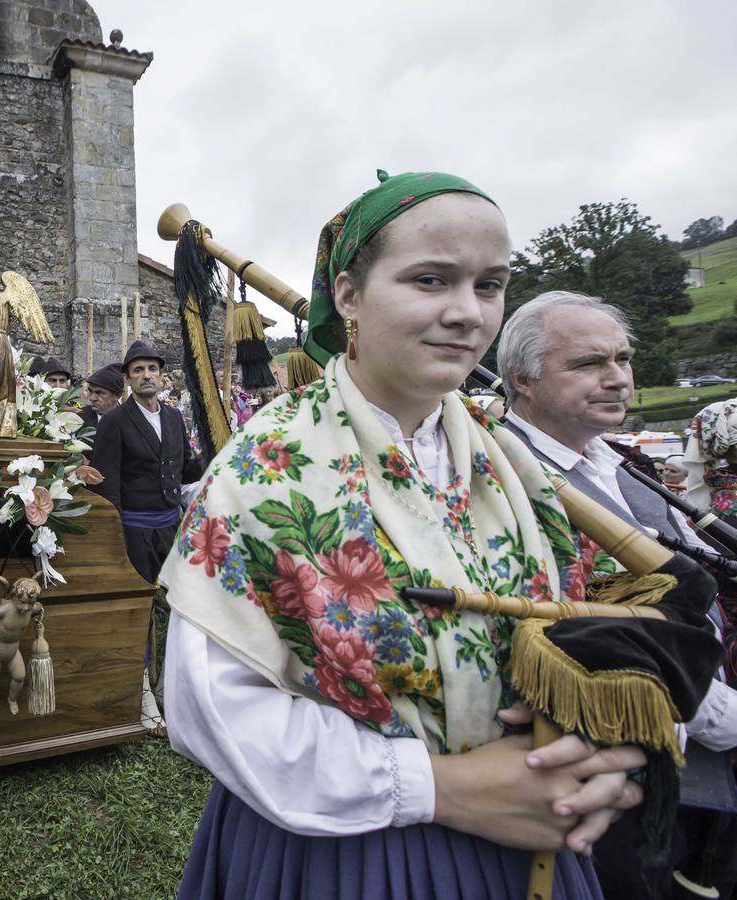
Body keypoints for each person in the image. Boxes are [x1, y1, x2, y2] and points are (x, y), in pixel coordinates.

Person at [162, 171, 647, 899]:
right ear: (349, 294)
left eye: (490, 285)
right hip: (348, 855)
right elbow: (211, 706)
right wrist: (439, 788)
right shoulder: (269, 466)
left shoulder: (509, 460)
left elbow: (569, 630)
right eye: (430, 279)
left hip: (526, 845)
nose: (467, 314)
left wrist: (594, 749)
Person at [496, 291, 737, 897]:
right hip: (608, 771)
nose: (619, 379)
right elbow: (582, 623)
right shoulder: (502, 472)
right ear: (522, 378)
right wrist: (717, 712)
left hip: (693, 765)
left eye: (623, 359)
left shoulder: (620, 463)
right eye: (588, 364)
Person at [92, 341, 204, 584]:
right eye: (138, 370)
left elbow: (184, 471)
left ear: (162, 376)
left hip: (171, 526)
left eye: (152, 369)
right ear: (128, 380)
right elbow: (106, 484)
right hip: (134, 531)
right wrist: (115, 534)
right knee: (140, 601)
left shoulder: (173, 417)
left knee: (175, 594)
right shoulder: (114, 421)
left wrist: (212, 455)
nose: (146, 375)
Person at [79, 362, 123, 433]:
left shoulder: (130, 420)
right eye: (90, 391)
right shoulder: (78, 419)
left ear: (117, 395)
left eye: (99, 393)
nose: (92, 398)